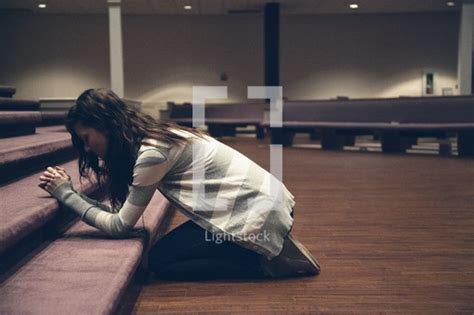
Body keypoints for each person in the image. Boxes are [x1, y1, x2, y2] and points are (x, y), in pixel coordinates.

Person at [39, 88, 320, 280]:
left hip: (258, 213)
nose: (86, 149)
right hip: (264, 204)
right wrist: (73, 193)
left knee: (161, 263)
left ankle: (266, 263)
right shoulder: (155, 138)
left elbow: (119, 226)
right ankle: (267, 247)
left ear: (105, 125)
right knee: (164, 255)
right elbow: (118, 214)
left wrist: (66, 194)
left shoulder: (152, 153)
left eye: (86, 138)